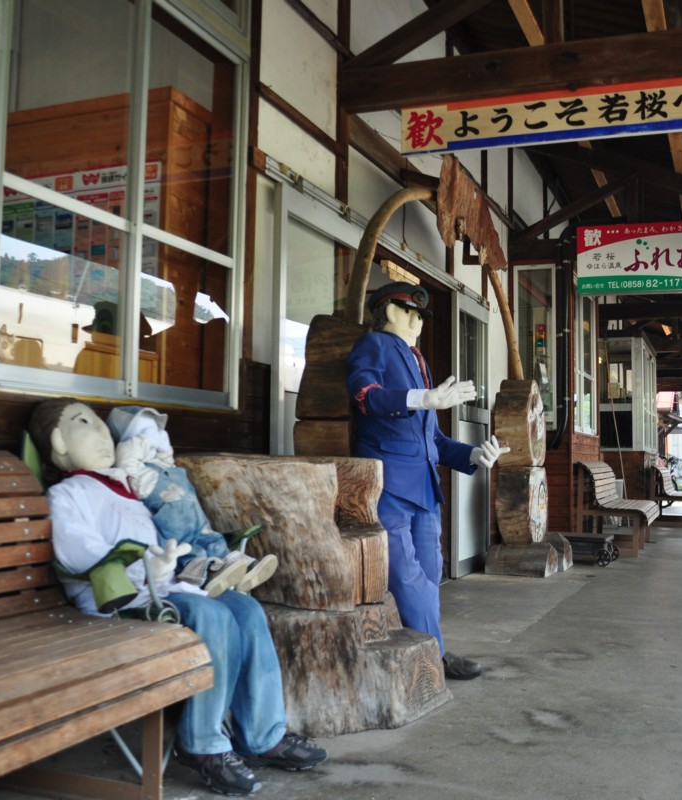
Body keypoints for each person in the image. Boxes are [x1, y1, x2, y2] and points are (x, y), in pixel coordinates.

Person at [28, 398, 326, 797]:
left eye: (102, 424)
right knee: (211, 614)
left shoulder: (125, 489)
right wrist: (146, 565)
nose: (101, 432)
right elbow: (76, 551)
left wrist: (171, 559)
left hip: (166, 590)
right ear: (58, 442)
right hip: (122, 605)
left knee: (245, 608)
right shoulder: (67, 494)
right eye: (84, 422)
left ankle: (262, 734)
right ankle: (204, 744)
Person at [345, 281, 508, 681]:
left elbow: (432, 438)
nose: (417, 321)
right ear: (388, 312)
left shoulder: (419, 361)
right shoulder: (375, 346)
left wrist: (473, 454)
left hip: (424, 486)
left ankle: (429, 650)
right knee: (407, 575)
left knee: (431, 569)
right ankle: (433, 656)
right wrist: (423, 398)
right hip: (389, 483)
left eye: (420, 315)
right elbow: (365, 395)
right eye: (410, 312)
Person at [106, 405, 277, 596]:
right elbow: (125, 460)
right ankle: (206, 574)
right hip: (171, 518)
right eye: (145, 433)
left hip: (193, 511)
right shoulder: (137, 470)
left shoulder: (161, 463)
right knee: (188, 543)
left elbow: (166, 457)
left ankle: (236, 565)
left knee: (208, 535)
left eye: (157, 431)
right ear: (131, 439)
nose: (154, 438)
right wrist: (145, 439)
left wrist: (161, 443)